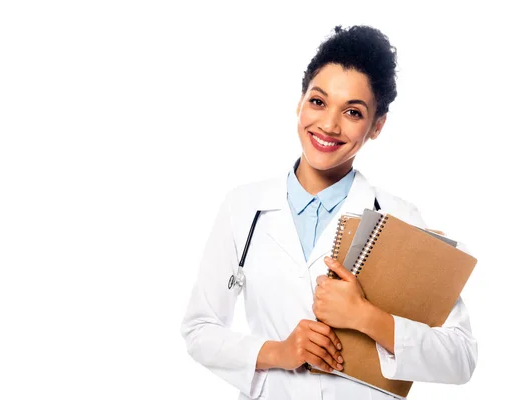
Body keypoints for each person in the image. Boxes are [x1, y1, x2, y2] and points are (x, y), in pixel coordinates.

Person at [180, 25, 477, 399]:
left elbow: (461, 357)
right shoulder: (243, 208)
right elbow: (199, 329)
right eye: (318, 102)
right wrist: (278, 352)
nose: (328, 125)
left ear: (376, 126)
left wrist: (366, 317)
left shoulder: (400, 217)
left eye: (353, 112)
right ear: (300, 102)